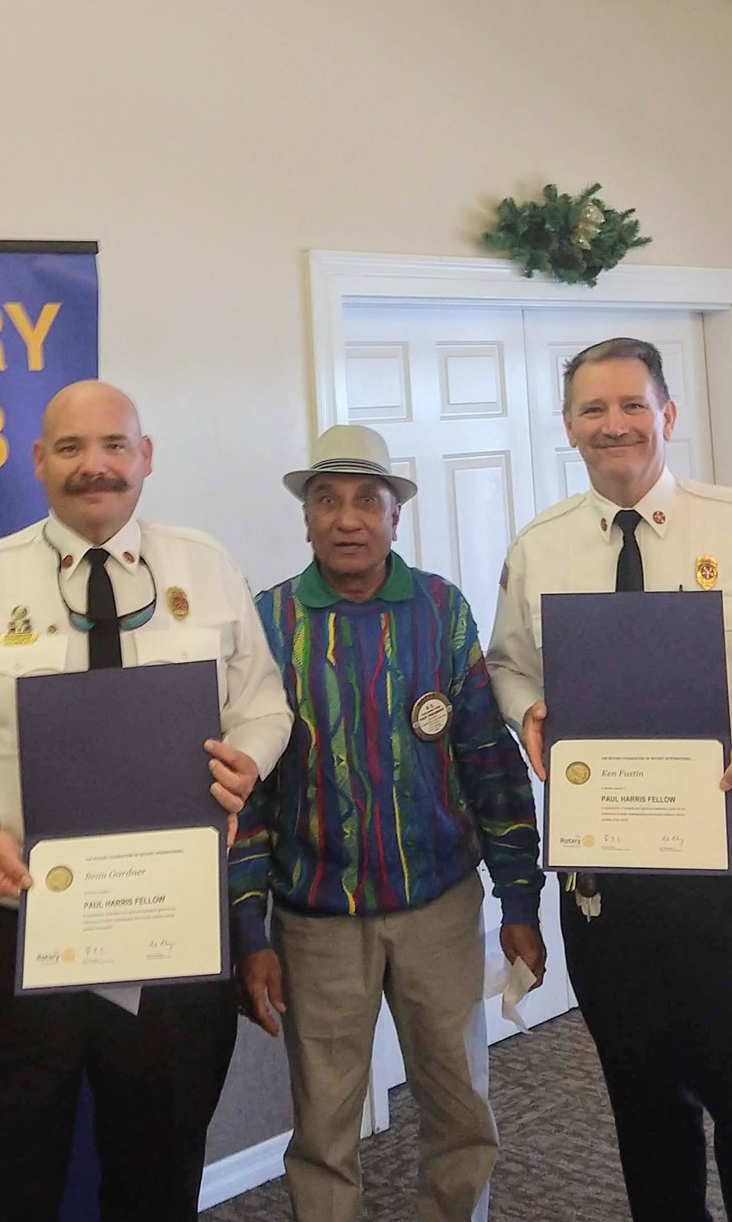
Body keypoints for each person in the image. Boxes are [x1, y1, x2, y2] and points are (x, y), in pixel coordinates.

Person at [0, 378, 293, 1222]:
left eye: (112, 447)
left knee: (159, 1176)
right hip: (16, 932)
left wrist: (247, 759)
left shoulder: (206, 568)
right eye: (69, 449)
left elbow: (264, 703)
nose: (93, 467)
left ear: (146, 457)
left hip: (171, 935)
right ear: (38, 462)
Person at [486, 336, 732, 1222]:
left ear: (667, 416)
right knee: (642, 1104)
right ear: (567, 427)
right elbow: (507, 663)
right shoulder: (540, 547)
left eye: (631, 405)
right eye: (591, 410)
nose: (613, 426)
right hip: (606, 866)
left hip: (728, 850)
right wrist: (527, 709)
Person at [230, 425, 545, 1222]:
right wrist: (248, 932)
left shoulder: (442, 611)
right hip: (315, 923)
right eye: (326, 501)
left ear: (393, 518)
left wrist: (518, 901)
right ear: (304, 519)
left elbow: (488, 763)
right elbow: (249, 797)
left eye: (366, 501)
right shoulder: (266, 625)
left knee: (459, 1110)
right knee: (324, 1128)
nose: (346, 520)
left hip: (438, 906)